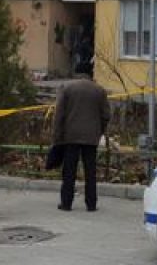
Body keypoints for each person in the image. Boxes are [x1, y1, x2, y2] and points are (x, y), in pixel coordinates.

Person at [52, 60, 110, 212]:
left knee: (69, 171)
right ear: (90, 74)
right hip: (91, 137)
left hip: (70, 136)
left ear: (77, 73)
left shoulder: (66, 88)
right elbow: (106, 115)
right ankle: (91, 204)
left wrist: (57, 136)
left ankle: (66, 203)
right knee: (90, 171)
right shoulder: (99, 90)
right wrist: (99, 130)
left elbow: (59, 115)